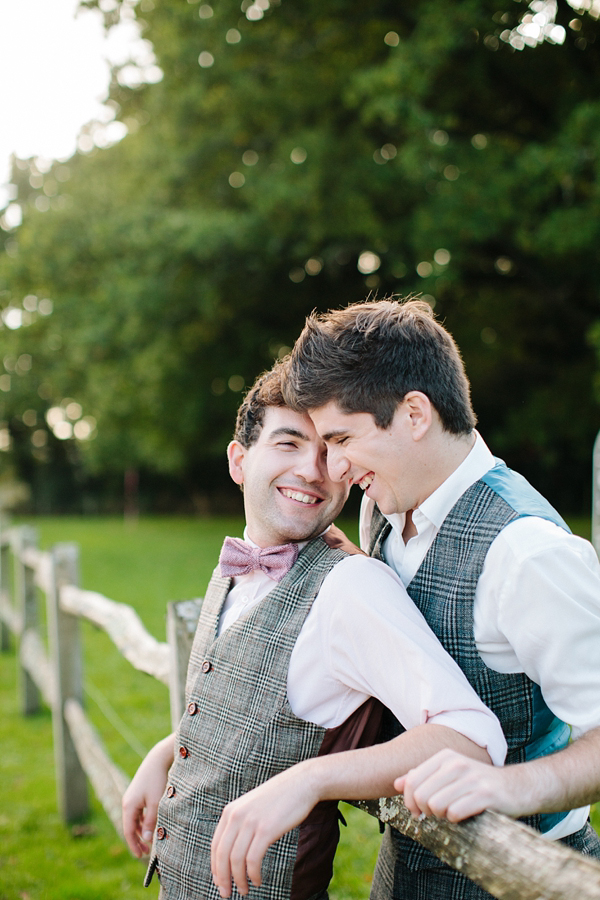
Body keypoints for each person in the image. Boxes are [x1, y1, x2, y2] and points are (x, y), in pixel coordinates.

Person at [122, 361, 507, 900]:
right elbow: (249, 714)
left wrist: (313, 778)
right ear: (239, 460)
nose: (312, 469)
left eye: (331, 450)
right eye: (289, 444)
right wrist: (167, 753)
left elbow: (471, 737)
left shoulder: (350, 587)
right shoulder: (236, 567)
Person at [283, 297, 600, 899]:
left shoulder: (527, 553)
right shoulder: (385, 506)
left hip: (519, 875)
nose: (338, 468)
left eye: (343, 437)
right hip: (404, 865)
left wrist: (513, 788)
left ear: (414, 413)